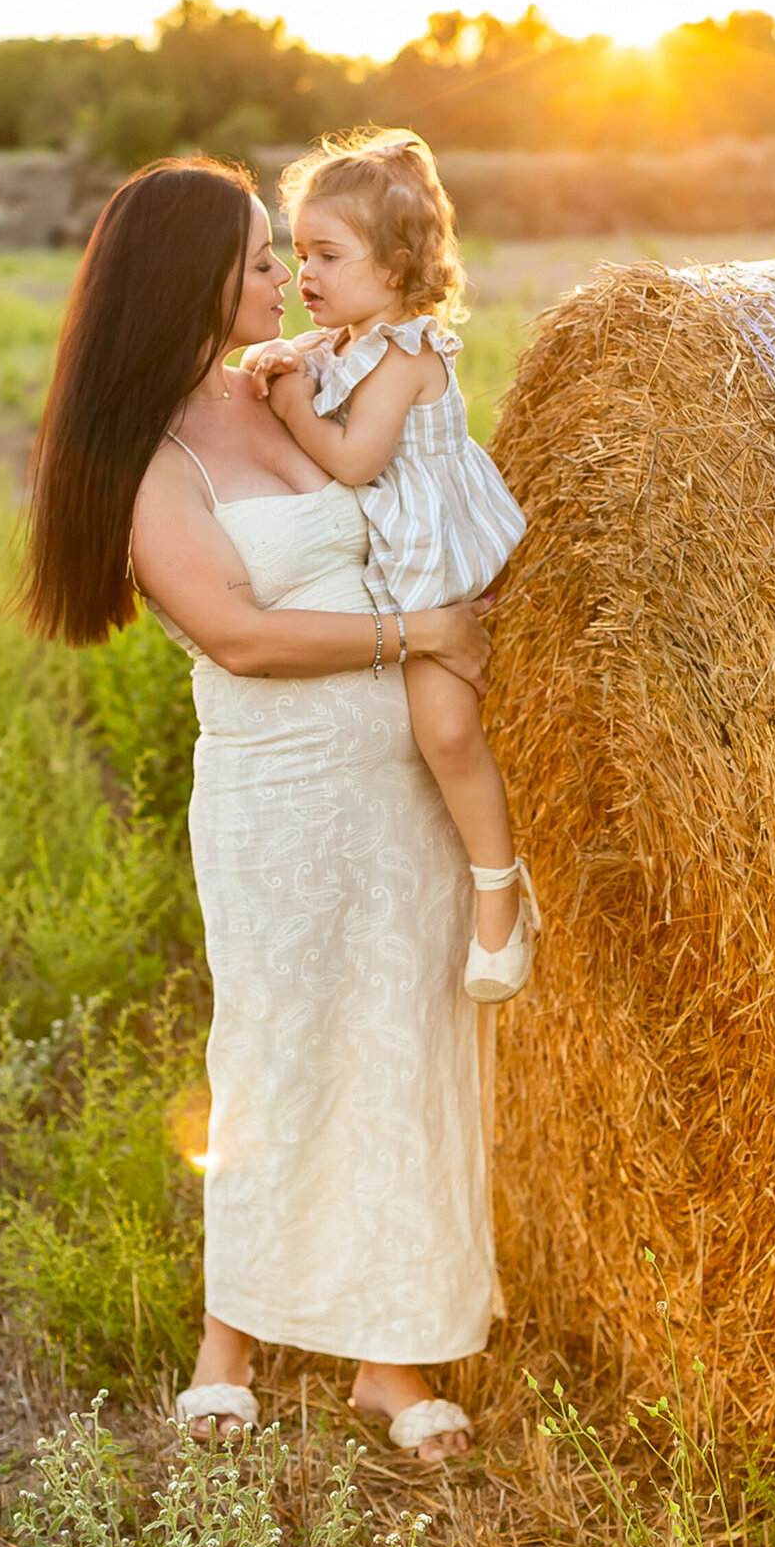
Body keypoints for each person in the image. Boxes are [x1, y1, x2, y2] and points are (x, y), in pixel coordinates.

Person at [17, 156, 497, 1460]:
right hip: (280, 799)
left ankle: (391, 1361)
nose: (288, 276)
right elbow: (237, 633)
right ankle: (230, 1337)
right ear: (195, 284)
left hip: (395, 787)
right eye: (261, 259)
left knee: (402, 1045)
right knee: (275, 1057)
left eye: (285, 256)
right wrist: (418, 634)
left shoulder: (280, 389)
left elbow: (395, 490)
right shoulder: (145, 456)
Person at [244, 129, 536, 1003]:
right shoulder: (339, 345)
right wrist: (277, 362)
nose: (305, 275)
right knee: (403, 738)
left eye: (328, 255)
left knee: (445, 733)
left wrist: (291, 400)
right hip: (392, 565)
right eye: (298, 255)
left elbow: (358, 460)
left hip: (437, 563)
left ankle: (500, 892)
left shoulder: (407, 352)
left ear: (400, 265)